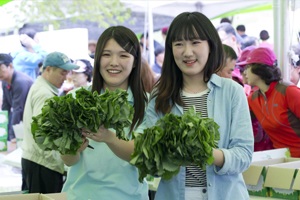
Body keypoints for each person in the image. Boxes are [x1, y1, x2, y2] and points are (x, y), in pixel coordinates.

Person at [146, 12, 253, 200]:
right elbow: (148, 156)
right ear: (170, 50)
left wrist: (208, 154)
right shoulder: (159, 95)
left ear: (210, 45)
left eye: (195, 42)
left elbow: (243, 155)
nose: (187, 52)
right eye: (179, 44)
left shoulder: (232, 92)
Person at [61, 26, 149, 200]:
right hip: (80, 196)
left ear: (135, 62)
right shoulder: (75, 98)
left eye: (123, 55)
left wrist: (108, 136)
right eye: (107, 54)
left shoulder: (147, 104)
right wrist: (73, 148)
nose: (114, 62)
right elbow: (68, 160)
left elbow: (140, 155)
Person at [22, 51, 79, 193]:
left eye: (67, 73)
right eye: (62, 72)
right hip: (43, 164)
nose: (66, 77)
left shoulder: (41, 87)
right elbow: (43, 133)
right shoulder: (45, 94)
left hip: (36, 161)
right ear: (48, 69)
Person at [239, 47, 300, 157]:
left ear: (260, 69)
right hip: (280, 158)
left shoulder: (289, 92)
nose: (244, 72)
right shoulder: (253, 99)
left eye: (248, 67)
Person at [236, 47, 274, 151]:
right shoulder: (253, 97)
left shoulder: (286, 92)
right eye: (241, 69)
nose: (243, 73)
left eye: (245, 68)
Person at [0, 53, 33, 142]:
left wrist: (11, 136)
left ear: (10, 66)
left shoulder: (20, 82)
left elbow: (17, 109)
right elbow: (5, 107)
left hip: (31, 119)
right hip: (21, 116)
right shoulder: (4, 81)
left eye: (1, 68)